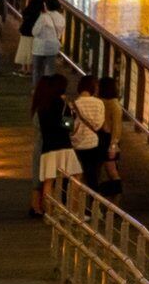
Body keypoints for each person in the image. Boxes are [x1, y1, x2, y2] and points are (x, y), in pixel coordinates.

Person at [30, 76, 79, 214]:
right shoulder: (62, 105)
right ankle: (74, 210)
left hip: (47, 147)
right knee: (76, 176)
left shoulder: (42, 106)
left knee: (48, 180)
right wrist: (70, 117)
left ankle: (48, 212)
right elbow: (68, 127)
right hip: (63, 145)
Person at [71, 77, 117, 197]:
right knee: (93, 175)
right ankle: (93, 205)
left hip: (76, 143)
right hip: (93, 143)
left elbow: (70, 125)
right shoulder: (99, 103)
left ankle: (76, 204)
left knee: (77, 174)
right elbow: (99, 125)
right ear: (93, 87)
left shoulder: (73, 104)